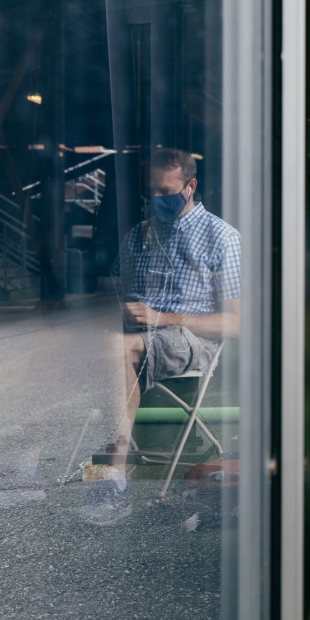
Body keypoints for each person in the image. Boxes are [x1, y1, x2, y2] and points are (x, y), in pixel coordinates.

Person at [84, 147, 240, 525]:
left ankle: (113, 481)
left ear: (190, 187)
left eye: (167, 193)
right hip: (136, 334)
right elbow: (114, 294)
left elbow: (235, 323)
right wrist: (118, 312)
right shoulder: (139, 235)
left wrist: (162, 317)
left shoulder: (221, 237)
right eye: (151, 193)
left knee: (119, 349)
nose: (158, 201)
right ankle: (24, 471)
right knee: (80, 348)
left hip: (190, 339)